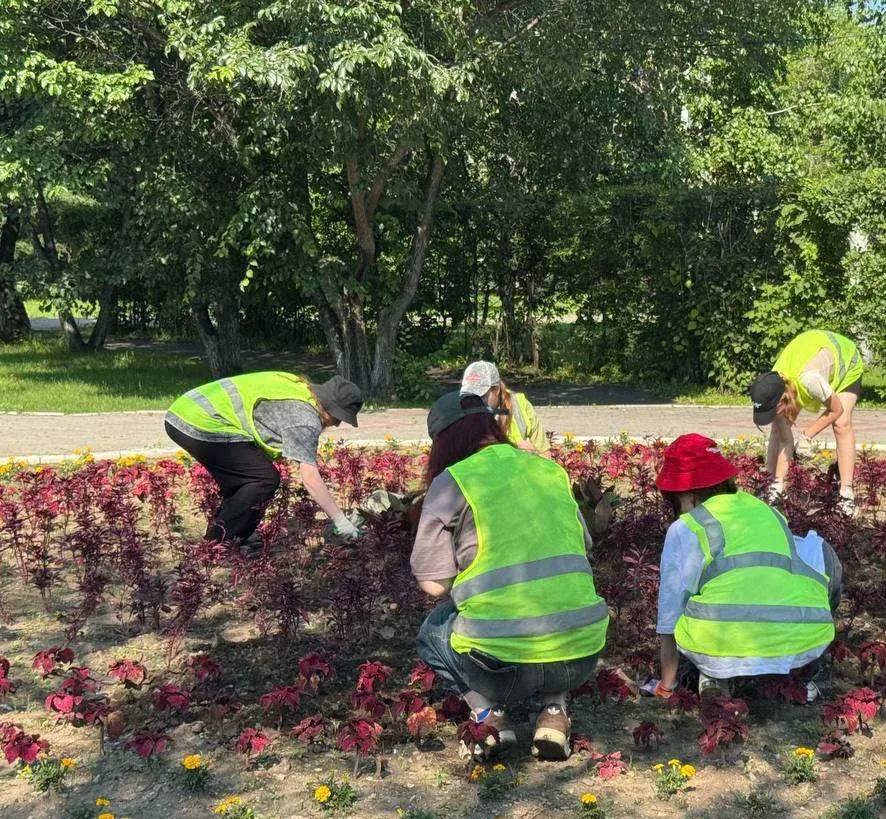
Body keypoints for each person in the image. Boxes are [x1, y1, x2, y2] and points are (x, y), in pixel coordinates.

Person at [411, 391, 609, 761]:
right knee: (556, 608)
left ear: (442, 442)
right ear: (492, 427)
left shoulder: (453, 481)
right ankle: (554, 711)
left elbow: (434, 585)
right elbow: (585, 544)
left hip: (500, 669)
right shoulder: (549, 470)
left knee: (432, 632)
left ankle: (489, 717)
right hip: (579, 657)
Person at [648, 434, 840, 702]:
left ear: (688, 496)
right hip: (798, 641)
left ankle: (714, 679)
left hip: (720, 650)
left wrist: (666, 685)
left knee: (700, 609)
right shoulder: (765, 510)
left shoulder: (686, 528)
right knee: (816, 548)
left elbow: (669, 616)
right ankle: (798, 676)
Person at [165, 371, 363, 550]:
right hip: (200, 421)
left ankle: (234, 536)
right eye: (338, 417)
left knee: (246, 480)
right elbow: (310, 478)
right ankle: (216, 547)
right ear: (329, 407)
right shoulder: (305, 418)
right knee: (263, 479)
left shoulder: (299, 387)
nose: (336, 424)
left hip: (186, 410)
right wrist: (340, 520)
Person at [749, 330, 864, 515]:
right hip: (808, 366)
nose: (773, 414)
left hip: (845, 362)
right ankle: (772, 486)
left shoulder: (809, 380)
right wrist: (774, 485)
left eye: (773, 409)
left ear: (783, 398)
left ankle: (846, 494)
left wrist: (806, 436)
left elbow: (836, 409)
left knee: (841, 424)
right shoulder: (772, 384)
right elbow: (784, 439)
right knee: (778, 430)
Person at [460, 361, 549, 454]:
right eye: (469, 395)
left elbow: (545, 454)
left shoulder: (520, 405)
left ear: (497, 390)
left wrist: (531, 455)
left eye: (481, 396)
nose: (474, 402)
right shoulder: (460, 411)